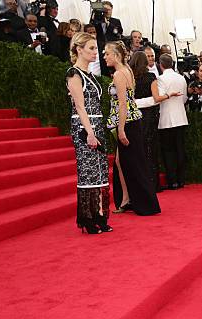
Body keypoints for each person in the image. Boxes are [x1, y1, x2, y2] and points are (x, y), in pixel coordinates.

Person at [104, 41, 161, 215]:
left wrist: (121, 129)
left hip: (127, 122)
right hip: (131, 120)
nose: (104, 57)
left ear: (116, 55)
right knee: (123, 162)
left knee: (134, 163)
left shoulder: (119, 74)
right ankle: (127, 199)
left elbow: (123, 104)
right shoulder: (127, 70)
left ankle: (145, 204)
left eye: (107, 53)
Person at [65, 32, 111, 234]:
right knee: (87, 173)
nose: (95, 52)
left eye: (95, 48)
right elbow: (80, 107)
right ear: (79, 50)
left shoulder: (90, 75)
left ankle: (100, 216)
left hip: (97, 124)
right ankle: (87, 219)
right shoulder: (73, 74)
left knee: (100, 171)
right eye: (91, 48)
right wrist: (90, 133)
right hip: (84, 127)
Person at [129, 50, 169, 193]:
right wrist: (169, 95)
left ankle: (141, 183)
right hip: (149, 115)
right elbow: (156, 98)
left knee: (139, 147)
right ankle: (153, 183)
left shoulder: (130, 77)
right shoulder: (151, 76)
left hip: (135, 115)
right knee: (151, 147)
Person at [157, 53, 188, 190]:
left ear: (160, 65)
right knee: (180, 149)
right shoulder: (181, 78)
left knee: (168, 151)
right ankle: (181, 180)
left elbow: (159, 97)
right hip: (181, 117)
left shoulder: (160, 79)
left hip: (166, 119)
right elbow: (184, 98)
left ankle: (172, 181)